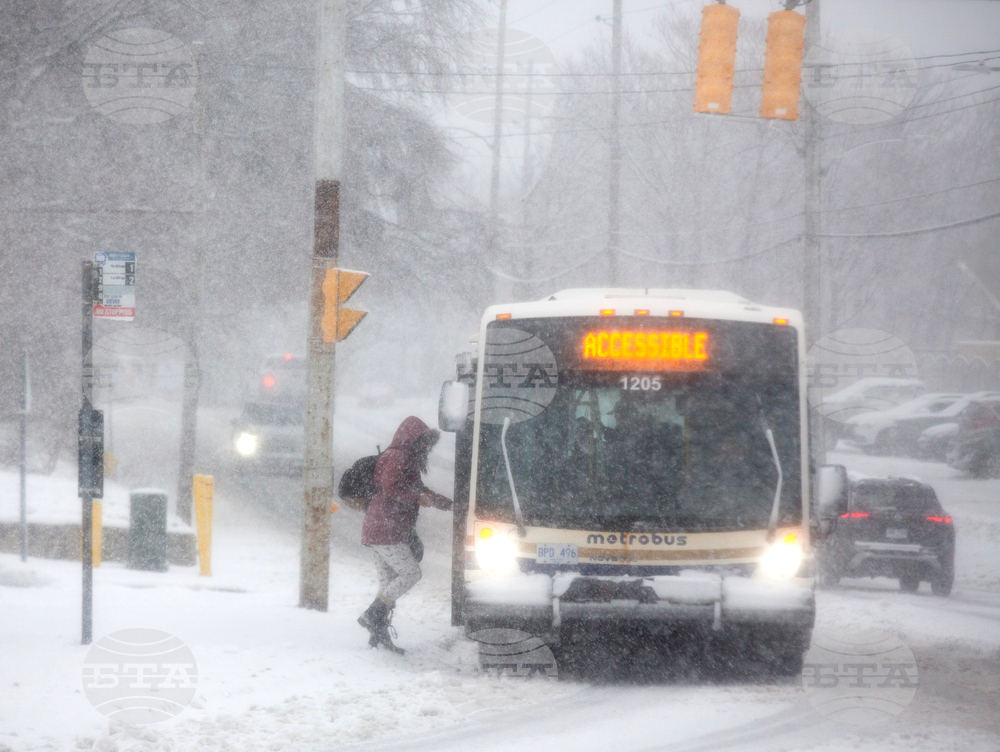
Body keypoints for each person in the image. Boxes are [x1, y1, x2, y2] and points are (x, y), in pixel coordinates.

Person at [358, 416, 452, 653]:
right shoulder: (397, 456)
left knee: (388, 583)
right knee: (411, 573)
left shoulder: (404, 458)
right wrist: (416, 497)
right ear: (413, 439)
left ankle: (378, 634)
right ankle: (372, 615)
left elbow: (419, 489)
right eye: (424, 443)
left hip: (380, 527)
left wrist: (448, 504)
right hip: (385, 528)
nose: (427, 449)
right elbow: (391, 488)